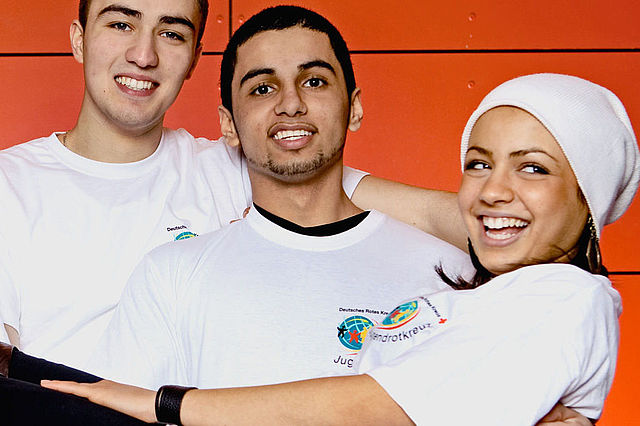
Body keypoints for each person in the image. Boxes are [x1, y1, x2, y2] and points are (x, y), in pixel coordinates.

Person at [44, 73, 639, 425]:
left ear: (588, 196)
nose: (493, 191)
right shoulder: (484, 298)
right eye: (478, 164)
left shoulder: (565, 298)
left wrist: (167, 406)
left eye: (533, 168)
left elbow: (375, 408)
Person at [0, 0, 464, 370]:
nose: (144, 55)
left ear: (194, 58)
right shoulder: (10, 185)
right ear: (79, 39)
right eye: (121, 24)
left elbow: (431, 217)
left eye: (172, 33)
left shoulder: (239, 164)